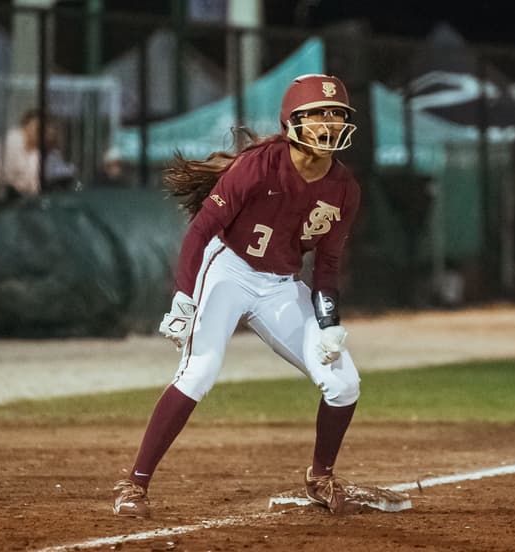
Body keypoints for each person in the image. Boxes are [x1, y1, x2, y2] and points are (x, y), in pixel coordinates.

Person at [111, 74, 364, 516]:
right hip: (229, 267)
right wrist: (183, 297)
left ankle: (320, 476)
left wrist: (328, 322)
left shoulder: (344, 190)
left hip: (281, 285)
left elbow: (326, 266)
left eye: (336, 114)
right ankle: (134, 484)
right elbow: (202, 231)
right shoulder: (259, 165)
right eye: (317, 114)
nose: (328, 123)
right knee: (198, 373)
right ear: (292, 123)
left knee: (344, 383)